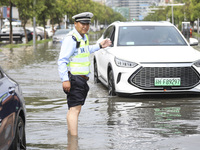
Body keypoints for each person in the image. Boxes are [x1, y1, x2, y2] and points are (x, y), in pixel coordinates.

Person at [58, 12, 112, 136]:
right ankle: (74, 141)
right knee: (74, 110)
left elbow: (86, 51)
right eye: (83, 23)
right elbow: (62, 61)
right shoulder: (71, 39)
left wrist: (99, 46)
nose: (85, 26)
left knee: (74, 109)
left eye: (87, 24)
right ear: (75, 24)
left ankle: (71, 138)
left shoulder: (83, 38)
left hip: (81, 80)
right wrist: (65, 79)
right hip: (75, 79)